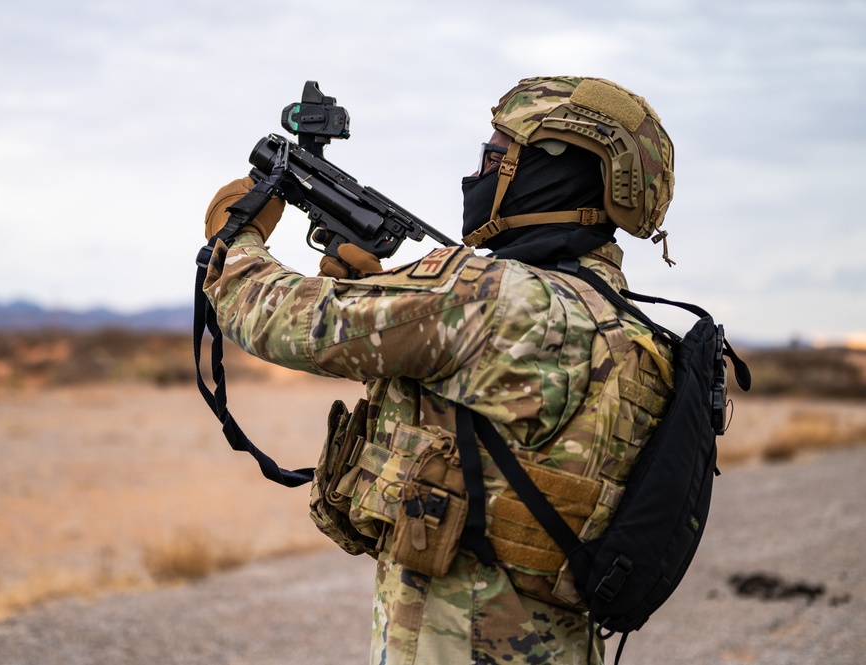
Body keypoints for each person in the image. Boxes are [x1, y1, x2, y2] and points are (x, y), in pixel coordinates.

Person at [202, 76, 677, 665]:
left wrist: (237, 236)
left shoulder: (492, 297)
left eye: (495, 156)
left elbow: (277, 320)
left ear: (548, 171)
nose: (476, 175)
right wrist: (363, 295)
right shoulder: (627, 327)